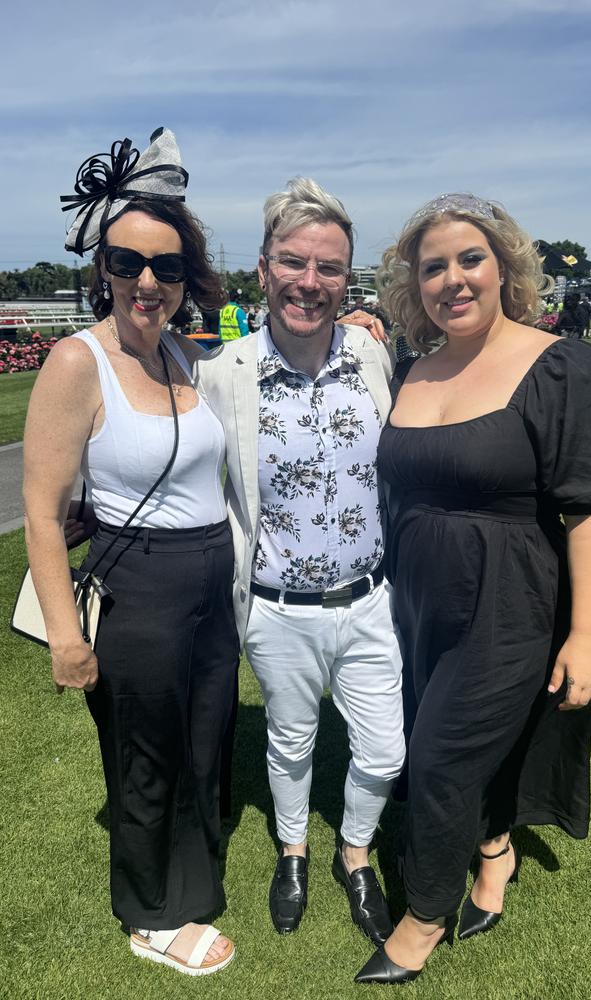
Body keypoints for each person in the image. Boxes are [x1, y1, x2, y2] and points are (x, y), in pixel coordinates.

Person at [354, 192, 591, 984]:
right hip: (415, 604)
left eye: (469, 259)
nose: (453, 279)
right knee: (459, 743)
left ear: (506, 265)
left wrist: (585, 636)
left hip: (509, 604)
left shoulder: (561, 363)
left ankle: (424, 914)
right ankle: (495, 852)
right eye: (432, 266)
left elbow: (589, 509)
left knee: (439, 758)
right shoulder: (412, 367)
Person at [23, 129, 239, 977]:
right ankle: (150, 915)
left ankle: (192, 865)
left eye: (169, 266)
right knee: (145, 754)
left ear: (189, 278)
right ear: (103, 268)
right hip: (138, 590)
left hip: (207, 587)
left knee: (204, 736)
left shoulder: (186, 352)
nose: (148, 281)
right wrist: (66, 639)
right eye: (129, 262)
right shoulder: (78, 363)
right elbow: (41, 514)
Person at [196, 177, 405, 946]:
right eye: (294, 262)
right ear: (263, 268)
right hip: (277, 610)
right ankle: (293, 850)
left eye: (328, 268)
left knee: (385, 747)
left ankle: (356, 851)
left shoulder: (373, 356)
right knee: (290, 742)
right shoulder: (224, 375)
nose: (310, 283)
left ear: (346, 279)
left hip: (371, 600)